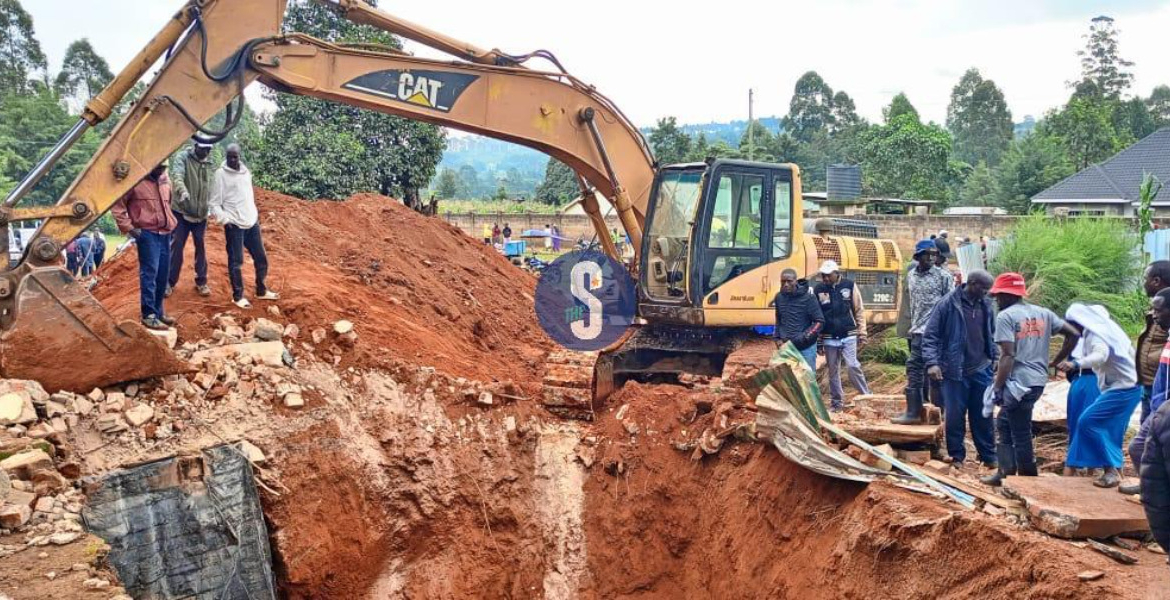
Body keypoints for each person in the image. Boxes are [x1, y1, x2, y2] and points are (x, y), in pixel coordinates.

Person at [981, 272, 1079, 486]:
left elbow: (1008, 355)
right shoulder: (1043, 313)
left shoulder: (1005, 317)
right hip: (1037, 381)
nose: (997, 301)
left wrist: (997, 387)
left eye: (998, 296)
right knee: (1005, 422)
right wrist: (1055, 361)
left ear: (1007, 295)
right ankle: (1005, 472)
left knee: (1019, 429)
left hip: (1018, 383)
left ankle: (1027, 478)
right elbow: (1073, 334)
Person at [1057, 303, 1141, 488]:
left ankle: (1111, 471)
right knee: (1099, 424)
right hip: (1120, 388)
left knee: (1088, 421)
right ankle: (1111, 470)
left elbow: (1100, 355)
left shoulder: (1097, 335)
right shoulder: (1095, 333)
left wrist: (1076, 364)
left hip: (1125, 388)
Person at [923, 269, 997, 468]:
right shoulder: (948, 304)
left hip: (982, 368)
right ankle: (957, 456)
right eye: (984, 289)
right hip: (955, 370)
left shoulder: (987, 305)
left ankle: (988, 456)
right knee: (955, 415)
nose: (987, 293)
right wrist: (932, 363)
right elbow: (930, 336)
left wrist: (994, 358)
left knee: (983, 414)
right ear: (972, 284)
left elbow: (992, 334)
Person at [892, 239, 954, 425]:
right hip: (918, 331)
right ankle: (913, 412)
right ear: (918, 256)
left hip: (937, 333)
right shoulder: (911, 276)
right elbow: (910, 304)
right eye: (927, 254)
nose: (931, 258)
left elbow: (950, 305)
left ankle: (939, 414)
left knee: (936, 373)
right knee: (914, 368)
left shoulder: (943, 277)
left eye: (934, 255)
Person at [208, 144, 278, 309]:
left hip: (251, 222)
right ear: (226, 156)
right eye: (230, 156)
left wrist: (253, 214)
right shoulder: (221, 175)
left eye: (235, 156)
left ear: (240, 156)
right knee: (236, 261)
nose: (233, 160)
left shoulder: (246, 173)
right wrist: (225, 220)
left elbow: (248, 196)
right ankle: (238, 297)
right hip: (234, 226)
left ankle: (261, 290)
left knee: (261, 258)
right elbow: (214, 203)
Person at [111, 163, 177, 330]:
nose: (161, 171)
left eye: (163, 168)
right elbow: (118, 207)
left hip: (165, 233)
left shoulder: (165, 181)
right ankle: (148, 314)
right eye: (158, 167)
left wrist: (171, 223)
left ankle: (159, 311)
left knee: (163, 274)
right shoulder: (135, 182)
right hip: (147, 234)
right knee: (150, 273)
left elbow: (169, 203)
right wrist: (130, 229)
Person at [1126, 288, 1170, 496]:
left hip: (1165, 409)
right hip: (1157, 406)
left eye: (1158, 310)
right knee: (1139, 449)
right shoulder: (1167, 334)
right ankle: (1150, 490)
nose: (1154, 314)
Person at [813, 260, 870, 411]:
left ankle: (866, 396)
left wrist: (862, 333)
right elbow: (817, 317)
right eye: (823, 275)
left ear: (836, 273)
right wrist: (818, 341)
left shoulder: (849, 286)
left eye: (828, 275)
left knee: (852, 365)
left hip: (849, 334)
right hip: (829, 336)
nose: (825, 278)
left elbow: (859, 310)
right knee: (833, 371)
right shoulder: (819, 290)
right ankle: (837, 403)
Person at [166, 140, 215, 298]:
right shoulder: (183, 158)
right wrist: (182, 190)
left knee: (200, 246)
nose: (206, 152)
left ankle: (202, 282)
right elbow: (177, 176)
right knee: (177, 246)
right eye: (203, 149)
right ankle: (169, 282)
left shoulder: (209, 163)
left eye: (208, 149)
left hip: (201, 214)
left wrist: (212, 203)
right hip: (182, 211)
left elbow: (210, 185)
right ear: (196, 146)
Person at [1137, 262, 1170, 424]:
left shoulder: (1167, 311)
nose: (1144, 283)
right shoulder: (1159, 307)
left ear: (1156, 281)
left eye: (1146, 278)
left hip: (1163, 388)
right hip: (1149, 383)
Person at [772, 268, 824, 370]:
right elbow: (779, 318)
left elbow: (819, 322)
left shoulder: (809, 298)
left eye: (789, 281)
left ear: (795, 281)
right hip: (786, 347)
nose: (786, 284)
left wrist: (805, 337)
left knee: (807, 381)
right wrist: (777, 337)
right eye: (783, 281)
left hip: (806, 347)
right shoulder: (779, 297)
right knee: (789, 381)